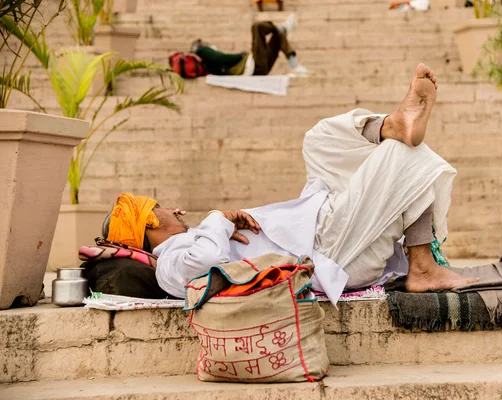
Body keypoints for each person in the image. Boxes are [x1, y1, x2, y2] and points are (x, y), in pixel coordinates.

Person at [102, 64, 478, 303]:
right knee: (401, 157)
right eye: (162, 208)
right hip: (328, 253)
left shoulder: (190, 239)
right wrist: (220, 217)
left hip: (326, 230)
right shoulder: (169, 262)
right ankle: (423, 267)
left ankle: (390, 125)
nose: (176, 210)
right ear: (149, 223)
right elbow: (207, 260)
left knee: (317, 140)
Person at [190, 14, 309, 77]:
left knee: (277, 36)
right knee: (257, 27)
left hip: (259, 69)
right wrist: (241, 55)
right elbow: (222, 58)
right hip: (252, 65)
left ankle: (295, 64)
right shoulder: (203, 50)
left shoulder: (206, 62)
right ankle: (282, 28)